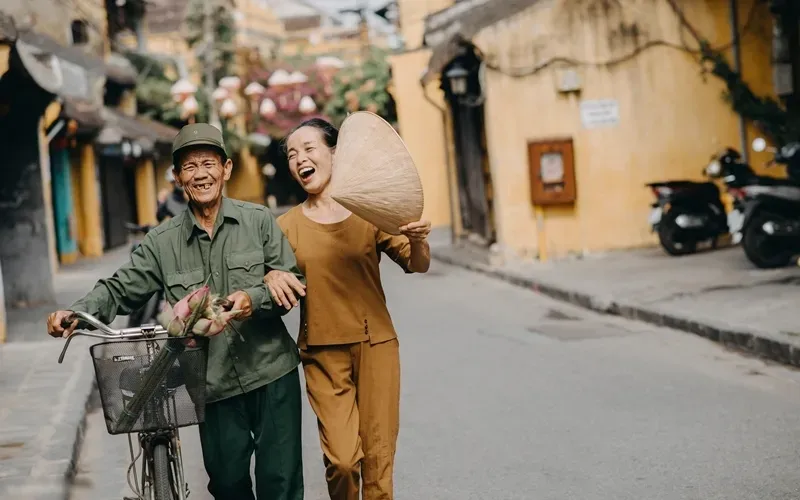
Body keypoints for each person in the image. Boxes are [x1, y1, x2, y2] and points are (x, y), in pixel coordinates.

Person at [46, 123, 306, 500]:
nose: (200, 174)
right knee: (228, 484)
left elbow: (290, 283)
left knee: (281, 483)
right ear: (178, 177)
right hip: (212, 384)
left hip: (272, 372)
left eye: (208, 163)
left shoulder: (258, 221)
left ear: (227, 168)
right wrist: (78, 312)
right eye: (189, 167)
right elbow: (120, 288)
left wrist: (254, 298)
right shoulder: (162, 242)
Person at [266, 118, 432, 500]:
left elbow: (416, 263)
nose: (300, 159)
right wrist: (269, 279)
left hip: (376, 345)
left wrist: (419, 240)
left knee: (378, 459)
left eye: (309, 149)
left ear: (335, 153)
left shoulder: (368, 210)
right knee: (341, 460)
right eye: (292, 154)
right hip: (322, 351)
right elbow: (269, 277)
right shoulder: (285, 226)